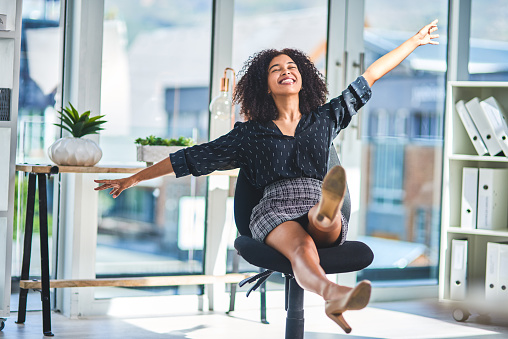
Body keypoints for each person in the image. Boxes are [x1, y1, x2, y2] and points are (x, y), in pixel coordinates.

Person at [95, 19, 439, 333]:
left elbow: (371, 76)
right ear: (266, 84)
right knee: (302, 246)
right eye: (276, 69)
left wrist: (413, 41)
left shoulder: (324, 118)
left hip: (314, 198)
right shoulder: (249, 133)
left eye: (292, 66)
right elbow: (191, 158)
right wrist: (134, 178)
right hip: (274, 208)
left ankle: (326, 215)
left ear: (303, 76)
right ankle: (331, 291)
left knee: (323, 222)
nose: (286, 71)